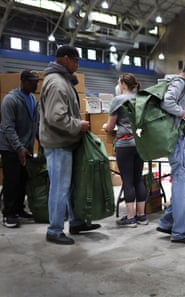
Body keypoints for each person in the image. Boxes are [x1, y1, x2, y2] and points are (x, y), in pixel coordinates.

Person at [39, 45, 101, 245]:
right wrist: (78, 125)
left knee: (70, 187)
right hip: (58, 144)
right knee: (59, 188)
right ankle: (54, 230)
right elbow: (55, 117)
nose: (77, 64)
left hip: (65, 142)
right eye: (75, 60)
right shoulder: (57, 83)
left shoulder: (62, 80)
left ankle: (76, 222)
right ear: (65, 59)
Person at [155, 58, 185, 244]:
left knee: (180, 184)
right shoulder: (180, 82)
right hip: (179, 141)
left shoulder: (174, 82)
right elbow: (167, 102)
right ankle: (180, 231)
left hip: (177, 140)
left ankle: (168, 222)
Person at [103, 73, 148, 227]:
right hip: (140, 143)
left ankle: (130, 218)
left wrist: (104, 127)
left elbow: (110, 126)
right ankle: (142, 216)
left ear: (123, 84)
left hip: (124, 144)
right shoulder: (141, 99)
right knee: (138, 179)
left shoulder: (118, 100)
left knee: (127, 181)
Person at [0, 70, 40, 228]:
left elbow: (35, 124)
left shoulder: (33, 100)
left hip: (26, 147)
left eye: (37, 81)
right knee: (12, 180)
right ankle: (8, 214)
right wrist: (19, 147)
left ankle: (19, 209)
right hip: (10, 147)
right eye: (32, 81)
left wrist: (40, 141)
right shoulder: (10, 100)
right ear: (23, 81)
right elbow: (8, 127)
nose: (36, 84)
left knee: (24, 179)